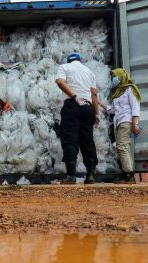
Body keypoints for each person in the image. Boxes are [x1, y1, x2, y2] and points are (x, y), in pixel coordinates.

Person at [55, 53, 99, 184]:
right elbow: (94, 94)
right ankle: (90, 174)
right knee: (87, 140)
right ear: (80, 60)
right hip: (88, 108)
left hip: (72, 106)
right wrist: (96, 113)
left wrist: (74, 97)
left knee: (69, 139)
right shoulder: (90, 72)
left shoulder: (64, 67)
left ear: (69, 60)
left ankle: (71, 176)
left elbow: (60, 82)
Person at [100, 68, 141, 183]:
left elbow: (135, 107)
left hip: (127, 121)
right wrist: (102, 104)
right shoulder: (118, 92)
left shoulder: (130, 89)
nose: (114, 79)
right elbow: (114, 110)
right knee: (124, 147)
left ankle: (129, 176)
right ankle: (127, 174)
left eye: (115, 76)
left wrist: (135, 124)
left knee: (122, 146)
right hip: (118, 122)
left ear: (121, 76)